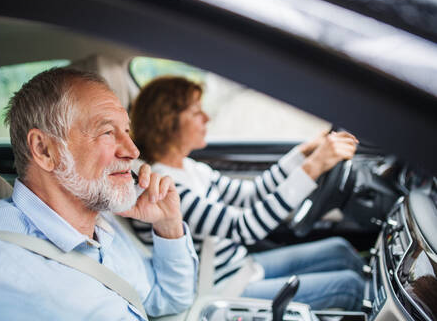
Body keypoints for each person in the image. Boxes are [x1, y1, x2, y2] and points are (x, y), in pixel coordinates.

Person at [0, 69, 198, 320]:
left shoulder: (100, 222)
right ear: (45, 150)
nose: (132, 151)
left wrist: (168, 225)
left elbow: (165, 298)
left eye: (127, 132)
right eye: (108, 132)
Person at [130, 76, 365, 310]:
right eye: (196, 112)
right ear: (167, 121)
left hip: (241, 267)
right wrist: (314, 167)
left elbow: (250, 195)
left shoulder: (189, 168)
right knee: (350, 286)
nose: (207, 118)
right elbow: (244, 227)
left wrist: (303, 153)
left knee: (340, 250)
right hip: (219, 288)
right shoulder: (162, 186)